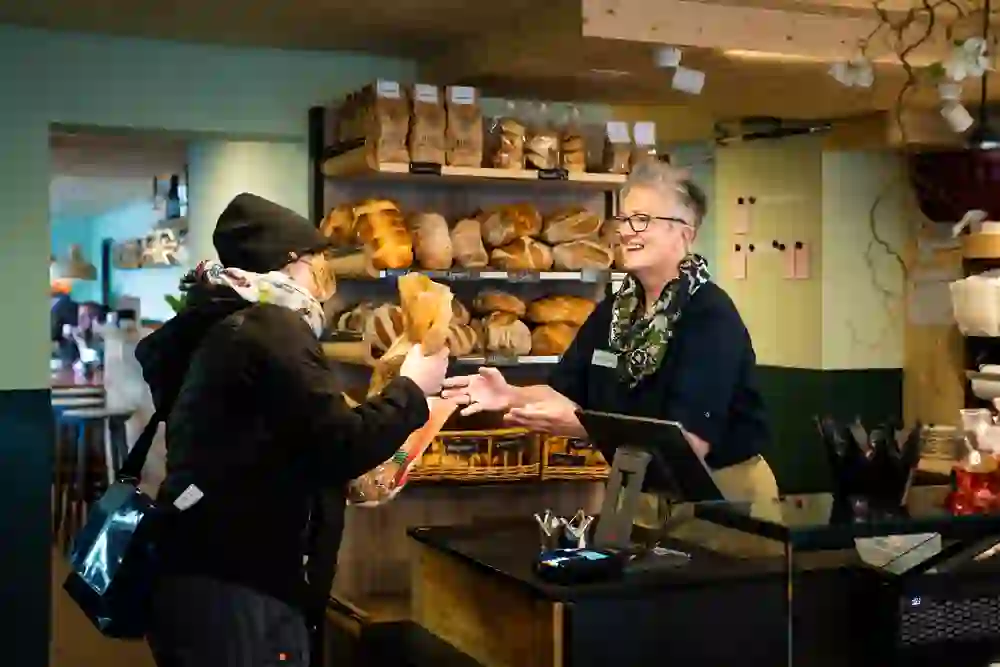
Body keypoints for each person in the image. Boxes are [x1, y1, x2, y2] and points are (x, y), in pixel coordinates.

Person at [136, 193, 448, 667]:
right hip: (243, 584)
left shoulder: (222, 321)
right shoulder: (271, 327)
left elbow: (285, 440)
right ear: (291, 261)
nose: (324, 270)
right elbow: (339, 445)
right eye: (316, 257)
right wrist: (413, 388)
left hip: (204, 569)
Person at [443, 161, 778, 506]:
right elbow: (566, 393)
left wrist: (583, 428)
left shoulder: (708, 315)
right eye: (624, 219)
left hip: (720, 501)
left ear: (685, 233)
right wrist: (510, 394)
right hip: (641, 491)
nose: (626, 232)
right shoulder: (617, 311)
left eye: (642, 220)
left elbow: (687, 446)